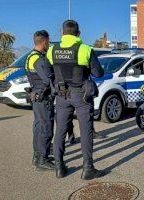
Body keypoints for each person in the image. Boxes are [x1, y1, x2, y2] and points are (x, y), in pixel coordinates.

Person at [46, 20, 105, 179]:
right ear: (78, 34)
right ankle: (87, 169)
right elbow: (98, 73)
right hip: (82, 95)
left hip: (62, 95)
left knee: (60, 131)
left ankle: (59, 167)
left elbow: (48, 72)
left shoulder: (52, 50)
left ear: (62, 33)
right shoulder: (85, 49)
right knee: (86, 131)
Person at [25, 30, 55, 170]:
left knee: (38, 126)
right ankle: (43, 159)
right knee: (46, 128)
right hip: (43, 98)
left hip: (36, 96)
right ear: (44, 42)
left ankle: (37, 156)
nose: (48, 45)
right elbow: (48, 80)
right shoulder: (40, 59)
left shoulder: (29, 56)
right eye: (48, 42)